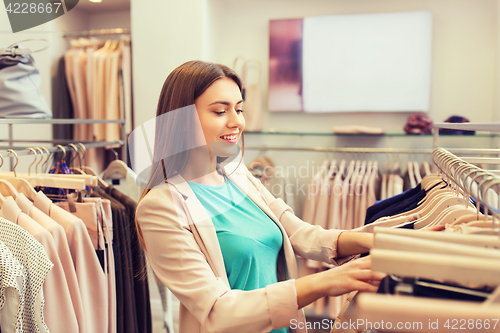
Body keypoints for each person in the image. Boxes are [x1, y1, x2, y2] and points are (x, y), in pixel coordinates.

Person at [135, 60, 385, 333]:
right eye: (220, 111)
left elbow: (300, 234)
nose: (237, 122)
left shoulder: (238, 175)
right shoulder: (160, 207)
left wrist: (380, 242)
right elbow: (219, 311)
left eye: (239, 109)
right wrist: (328, 281)